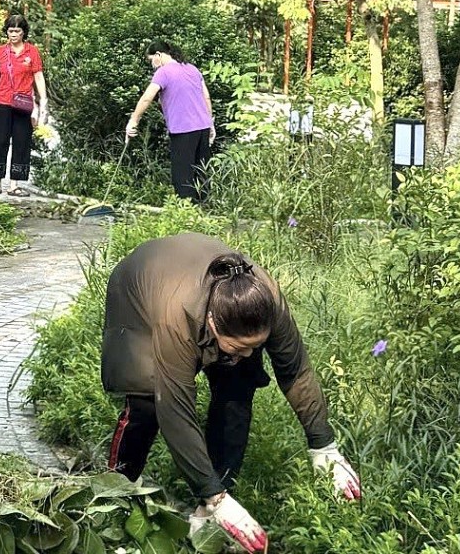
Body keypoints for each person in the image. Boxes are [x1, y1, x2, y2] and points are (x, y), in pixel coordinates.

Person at [102, 233, 361, 553]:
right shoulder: (176, 319)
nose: (249, 354)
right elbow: (175, 412)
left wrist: (324, 446)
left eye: (256, 346)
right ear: (211, 324)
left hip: (203, 290)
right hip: (140, 288)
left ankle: (207, 511)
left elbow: (296, 372)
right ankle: (115, 489)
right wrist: (216, 497)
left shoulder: (268, 302)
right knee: (146, 403)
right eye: (239, 347)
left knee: (237, 391)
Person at [125, 40, 216, 202]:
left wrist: (133, 120)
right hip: (203, 127)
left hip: (183, 130)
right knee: (201, 172)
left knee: (183, 176)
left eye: (151, 59)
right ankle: (205, 210)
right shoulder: (192, 69)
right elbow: (206, 96)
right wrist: (211, 124)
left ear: (158, 55)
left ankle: (187, 215)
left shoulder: (163, 72)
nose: (152, 64)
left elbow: (147, 98)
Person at [0, 14, 48, 197]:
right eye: (10, 31)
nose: (13, 34)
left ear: (24, 32)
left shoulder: (32, 52)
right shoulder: (0, 51)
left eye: (17, 31)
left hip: (23, 103)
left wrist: (44, 100)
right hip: (2, 101)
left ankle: (14, 184)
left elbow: (38, 76)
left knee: (21, 142)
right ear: (6, 32)